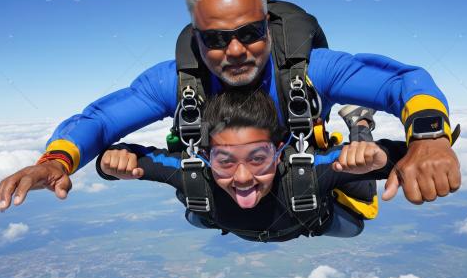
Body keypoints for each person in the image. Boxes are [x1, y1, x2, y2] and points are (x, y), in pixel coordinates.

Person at [0, 0, 460, 212]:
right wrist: (54, 161)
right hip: (233, 177)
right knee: (203, 202)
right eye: (215, 39)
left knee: (354, 205)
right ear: (196, 39)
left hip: (307, 159)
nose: (235, 50)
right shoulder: (176, 81)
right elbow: (100, 120)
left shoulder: (312, 70)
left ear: (270, 28)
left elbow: (403, 81)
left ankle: (357, 130)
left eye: (250, 33)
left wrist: (429, 137)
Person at [97, 91, 408, 242]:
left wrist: (381, 159)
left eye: (258, 158)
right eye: (225, 160)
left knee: (358, 186)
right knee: (197, 211)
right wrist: (111, 164)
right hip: (238, 215)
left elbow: (405, 156)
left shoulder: (306, 172)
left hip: (312, 215)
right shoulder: (192, 173)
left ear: (280, 151)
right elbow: (130, 159)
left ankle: (360, 122)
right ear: (205, 156)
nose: (243, 177)